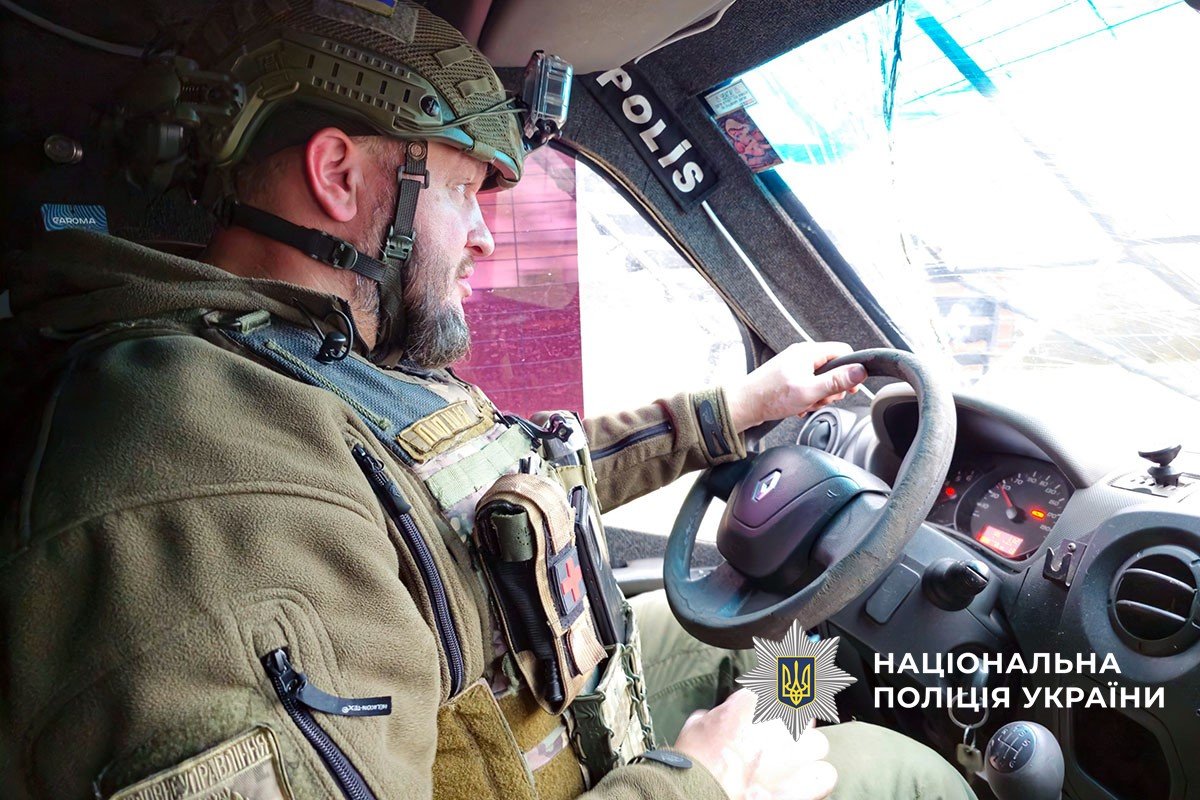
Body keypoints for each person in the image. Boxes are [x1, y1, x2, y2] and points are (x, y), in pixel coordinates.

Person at [0, 2, 975, 799]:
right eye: (465, 190)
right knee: (903, 771)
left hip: (558, 716)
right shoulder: (203, 460)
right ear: (338, 175)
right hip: (576, 764)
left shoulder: (320, 359)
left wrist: (733, 410)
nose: (485, 238)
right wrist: (702, 782)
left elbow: (501, 479)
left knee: (793, 665)